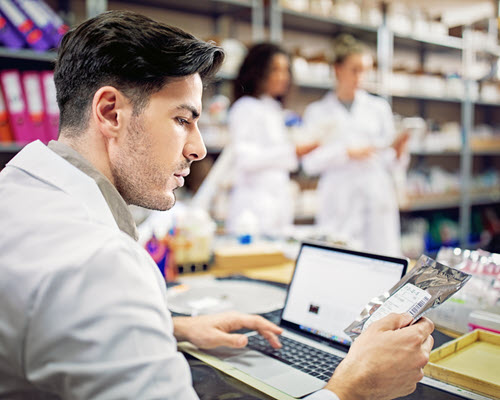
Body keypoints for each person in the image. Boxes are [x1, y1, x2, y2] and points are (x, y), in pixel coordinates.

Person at [0, 11, 433, 399]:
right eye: (182, 120)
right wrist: (353, 387)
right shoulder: (100, 264)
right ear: (111, 113)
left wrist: (170, 329)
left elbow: (55, 321)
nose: (199, 149)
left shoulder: (21, 191)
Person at [301, 34, 409, 256]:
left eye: (365, 70)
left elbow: (390, 162)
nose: (361, 76)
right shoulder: (317, 112)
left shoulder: (379, 108)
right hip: (339, 198)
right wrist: (346, 153)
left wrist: (399, 151)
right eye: (355, 69)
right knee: (339, 260)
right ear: (338, 69)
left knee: (382, 261)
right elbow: (310, 163)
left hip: (376, 194)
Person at [226, 43, 316, 236]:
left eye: (286, 70)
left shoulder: (274, 109)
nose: (283, 77)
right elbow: (245, 159)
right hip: (252, 208)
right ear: (258, 71)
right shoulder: (245, 107)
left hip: (277, 204)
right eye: (275, 69)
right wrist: (294, 151)